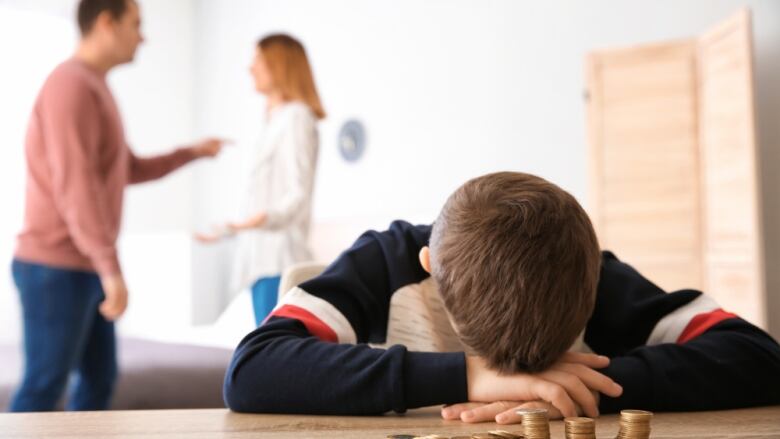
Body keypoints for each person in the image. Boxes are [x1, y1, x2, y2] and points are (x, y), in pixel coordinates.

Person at [222, 172, 780, 423]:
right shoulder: (387, 259)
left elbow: (760, 358)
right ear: (431, 269)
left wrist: (578, 394)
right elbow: (251, 370)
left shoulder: (587, 268)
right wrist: (469, 378)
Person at [10, 0, 226, 412]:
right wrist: (110, 267)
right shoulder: (70, 86)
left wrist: (192, 153)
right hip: (55, 266)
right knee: (43, 386)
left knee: (98, 380)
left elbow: (127, 168)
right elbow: (76, 186)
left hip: (80, 264)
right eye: (136, 25)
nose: (142, 37)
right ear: (107, 23)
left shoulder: (94, 86)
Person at [196, 34, 325, 326]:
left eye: (258, 60)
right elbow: (262, 197)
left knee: (274, 357)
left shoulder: (297, 118)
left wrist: (247, 224)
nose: (250, 68)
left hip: (279, 261)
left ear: (279, 64)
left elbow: (297, 196)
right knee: (267, 354)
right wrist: (229, 229)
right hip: (259, 262)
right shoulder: (273, 122)